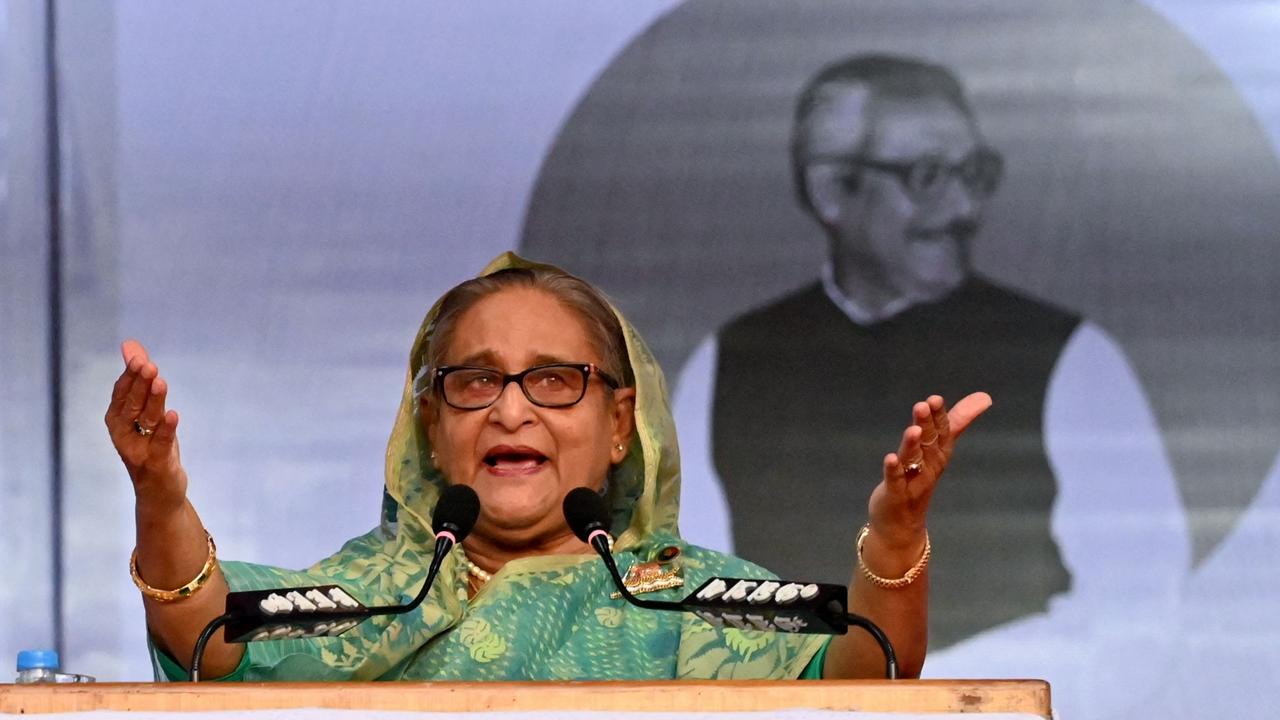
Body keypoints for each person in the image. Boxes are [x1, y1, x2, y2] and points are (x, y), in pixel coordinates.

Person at [105, 253, 989, 681]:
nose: (511, 408)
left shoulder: (681, 601)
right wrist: (159, 492)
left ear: (618, 425)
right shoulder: (379, 595)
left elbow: (867, 672)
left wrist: (896, 532)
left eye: (554, 381)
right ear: (429, 420)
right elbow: (207, 634)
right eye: (476, 379)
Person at [673, 54, 1188, 649]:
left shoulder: (1070, 354)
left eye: (975, 174)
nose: (965, 209)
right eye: (927, 177)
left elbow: (1138, 611)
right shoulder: (729, 362)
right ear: (833, 191)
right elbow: (700, 601)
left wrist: (931, 699)